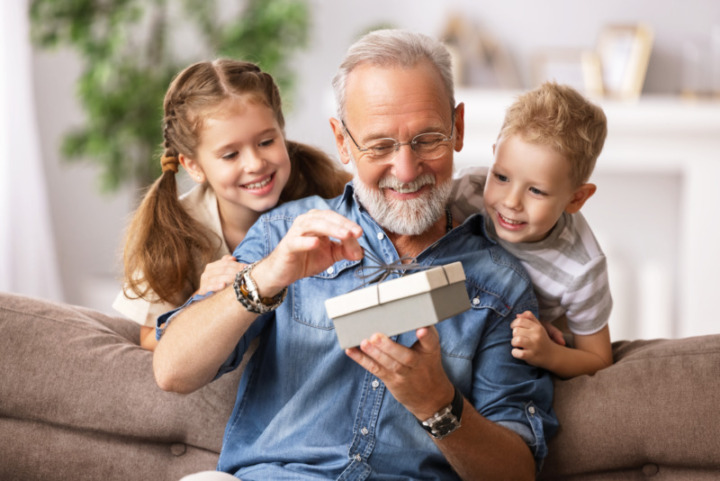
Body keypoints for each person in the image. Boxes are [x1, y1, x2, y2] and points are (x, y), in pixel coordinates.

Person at [154, 29, 558, 481]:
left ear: (458, 129)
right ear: (342, 142)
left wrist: (439, 405)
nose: (406, 171)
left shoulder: (499, 284)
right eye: (380, 145)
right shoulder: (284, 233)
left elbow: (518, 473)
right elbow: (172, 372)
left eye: (427, 139)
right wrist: (265, 278)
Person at [113, 59, 351, 350]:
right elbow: (151, 340)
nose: (255, 164)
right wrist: (202, 300)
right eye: (230, 155)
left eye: (266, 142)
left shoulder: (327, 191)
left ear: (282, 130)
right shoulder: (170, 234)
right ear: (194, 166)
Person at [450, 81, 613, 379]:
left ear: (576, 198)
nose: (511, 202)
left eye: (536, 191)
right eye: (501, 176)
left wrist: (550, 354)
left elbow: (599, 359)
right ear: (494, 154)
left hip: (504, 357)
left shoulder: (582, 269)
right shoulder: (464, 194)